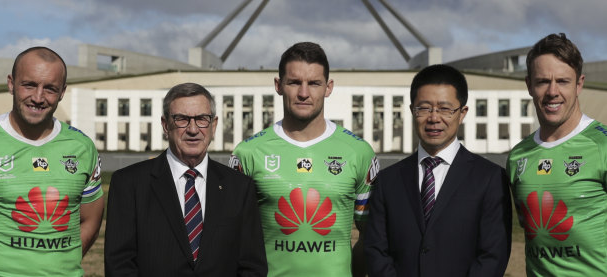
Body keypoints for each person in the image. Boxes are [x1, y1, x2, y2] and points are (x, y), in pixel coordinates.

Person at [230, 42, 379, 277]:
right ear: (279, 86)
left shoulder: (359, 152)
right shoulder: (247, 153)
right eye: (294, 82)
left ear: (328, 88)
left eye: (314, 83)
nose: (303, 93)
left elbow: (372, 237)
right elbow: (230, 238)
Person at [105, 82, 267, 276]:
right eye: (182, 119)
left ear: (213, 125)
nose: (193, 129)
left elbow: (252, 266)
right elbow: (119, 266)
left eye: (201, 119)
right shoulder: (128, 184)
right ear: (166, 125)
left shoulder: (239, 187)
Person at [364, 64, 512, 277]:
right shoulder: (388, 180)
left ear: (462, 113)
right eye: (424, 108)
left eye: (445, 108)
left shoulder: (490, 179)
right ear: (412, 111)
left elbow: (492, 255)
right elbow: (376, 250)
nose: (434, 118)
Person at [0, 47, 104, 276]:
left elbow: (91, 220)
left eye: (50, 88)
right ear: (11, 84)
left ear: (62, 92)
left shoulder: (82, 147)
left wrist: (61, 263)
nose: (38, 98)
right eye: (29, 85)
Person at [507, 33, 607, 276]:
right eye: (543, 81)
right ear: (529, 85)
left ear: (579, 84)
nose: (552, 91)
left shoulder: (602, 146)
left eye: (562, 81)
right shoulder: (518, 156)